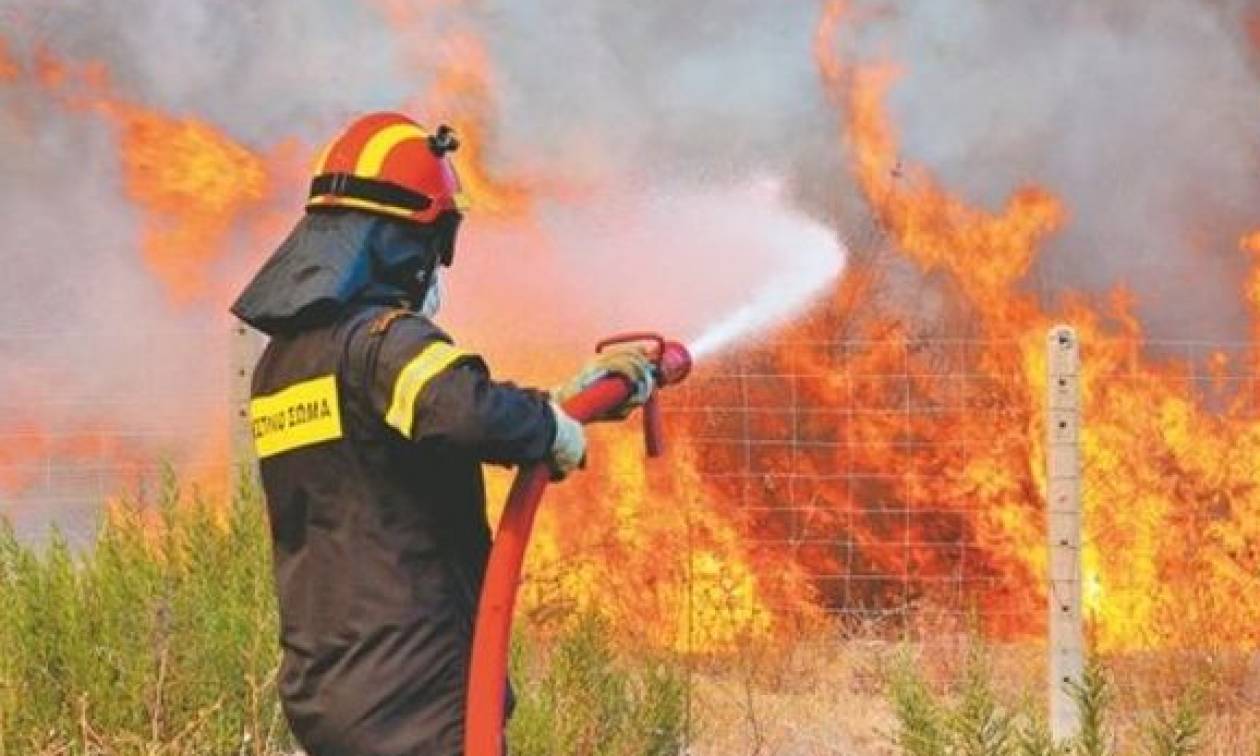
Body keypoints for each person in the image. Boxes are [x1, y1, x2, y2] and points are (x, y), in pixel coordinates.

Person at [230, 112, 653, 755]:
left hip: (328, 690)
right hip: (415, 690)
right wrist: (548, 429)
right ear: (404, 245)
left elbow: (408, 431)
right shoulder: (383, 343)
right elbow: (464, 412)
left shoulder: (282, 365)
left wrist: (555, 405)